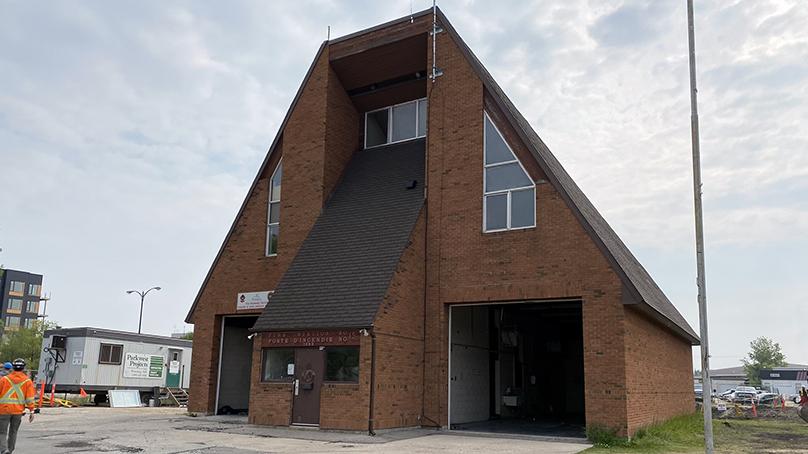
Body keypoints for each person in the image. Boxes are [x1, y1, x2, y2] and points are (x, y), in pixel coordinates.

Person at [0, 359, 37, 454]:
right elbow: (29, 398)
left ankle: (4, 450)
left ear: (13, 368)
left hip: (4, 410)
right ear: (23, 368)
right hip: (18, 411)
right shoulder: (27, 381)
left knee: (2, 432)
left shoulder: (4, 379)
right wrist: (32, 411)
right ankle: (10, 450)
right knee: (13, 432)